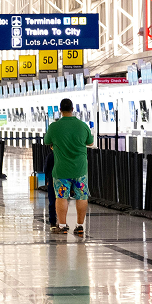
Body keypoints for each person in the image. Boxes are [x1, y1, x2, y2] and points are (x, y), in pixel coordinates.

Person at [43, 98, 94, 235]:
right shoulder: (82, 125)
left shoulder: (54, 127)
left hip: (61, 169)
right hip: (80, 169)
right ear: (72, 109)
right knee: (81, 197)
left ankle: (63, 225)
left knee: (61, 197)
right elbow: (90, 142)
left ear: (60, 110)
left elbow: (47, 141)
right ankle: (79, 225)